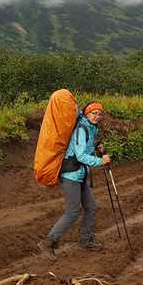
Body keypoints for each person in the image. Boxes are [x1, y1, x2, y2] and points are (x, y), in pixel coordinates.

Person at [37, 102, 111, 260]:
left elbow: (84, 148)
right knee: (72, 212)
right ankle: (48, 243)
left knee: (91, 207)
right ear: (86, 114)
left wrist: (97, 147)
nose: (97, 117)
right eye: (94, 113)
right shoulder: (81, 129)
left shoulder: (91, 128)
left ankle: (86, 240)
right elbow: (80, 156)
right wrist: (100, 161)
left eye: (99, 114)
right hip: (71, 175)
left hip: (80, 174)